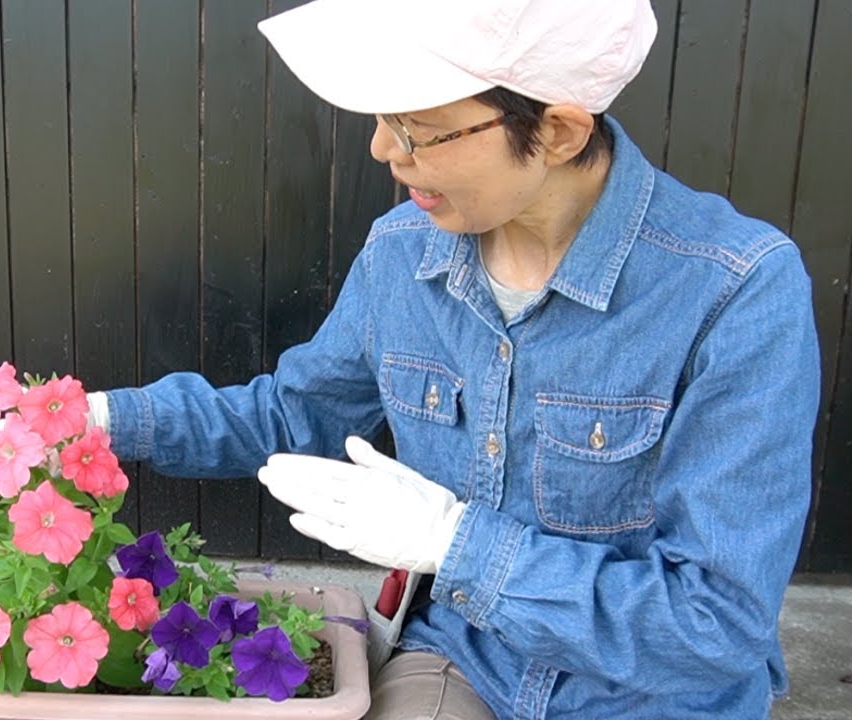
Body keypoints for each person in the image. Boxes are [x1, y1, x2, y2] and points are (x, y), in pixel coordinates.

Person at [81, 0, 820, 717]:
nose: (382, 150)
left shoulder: (734, 288)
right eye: (382, 118)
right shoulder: (403, 253)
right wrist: (99, 422)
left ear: (558, 131)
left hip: (654, 696)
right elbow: (296, 412)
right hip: (463, 662)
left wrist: (454, 543)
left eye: (418, 129)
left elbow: (713, 623)